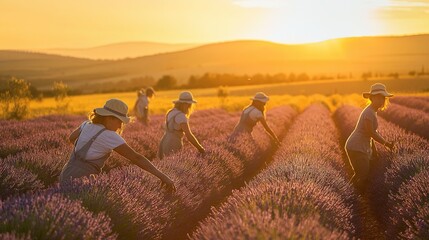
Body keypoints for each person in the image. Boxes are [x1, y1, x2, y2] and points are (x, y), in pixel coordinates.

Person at [60, 98, 175, 191]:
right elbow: (136, 158)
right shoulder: (109, 135)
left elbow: (71, 138)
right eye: (119, 121)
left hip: (67, 172)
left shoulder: (86, 125)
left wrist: (83, 153)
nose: (120, 126)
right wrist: (164, 177)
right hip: (82, 180)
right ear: (109, 118)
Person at [345, 83, 395, 193]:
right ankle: (352, 196)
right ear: (372, 98)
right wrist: (386, 144)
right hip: (356, 146)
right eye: (379, 97)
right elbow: (371, 132)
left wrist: (374, 150)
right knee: (363, 174)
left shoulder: (372, 111)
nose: (382, 100)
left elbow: (370, 135)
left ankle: (347, 194)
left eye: (383, 98)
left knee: (359, 174)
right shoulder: (369, 112)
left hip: (358, 145)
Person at [158, 91, 205, 159]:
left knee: (164, 165)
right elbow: (188, 135)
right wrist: (200, 148)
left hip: (165, 141)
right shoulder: (181, 116)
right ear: (186, 104)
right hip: (173, 143)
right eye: (189, 105)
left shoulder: (171, 112)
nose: (190, 107)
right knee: (173, 164)